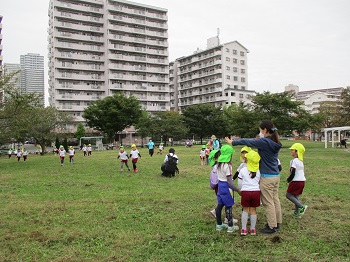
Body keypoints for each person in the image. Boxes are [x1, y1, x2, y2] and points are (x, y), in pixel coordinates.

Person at [225, 120, 282, 234]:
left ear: (265, 130)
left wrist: (233, 142)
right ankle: (277, 222)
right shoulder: (275, 142)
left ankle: (272, 226)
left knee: (268, 202)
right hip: (276, 176)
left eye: (260, 130)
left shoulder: (265, 142)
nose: (260, 132)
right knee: (275, 199)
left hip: (267, 177)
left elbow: (248, 142)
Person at [215, 145, 241, 233]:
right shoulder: (227, 166)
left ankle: (219, 224)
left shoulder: (218, 164)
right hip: (226, 187)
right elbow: (230, 181)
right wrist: (237, 189)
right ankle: (230, 226)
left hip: (220, 186)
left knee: (220, 205)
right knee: (228, 206)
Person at [239, 150, 261, 236]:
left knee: (245, 209)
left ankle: (244, 229)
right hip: (256, 192)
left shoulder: (243, 170)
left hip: (245, 192)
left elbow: (240, 182)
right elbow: (259, 182)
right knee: (253, 210)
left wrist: (240, 190)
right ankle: (253, 229)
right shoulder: (259, 170)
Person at [286, 143, 308, 217]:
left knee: (288, 195)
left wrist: (289, 179)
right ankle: (297, 212)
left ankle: (301, 207)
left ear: (296, 151)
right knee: (295, 196)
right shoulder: (300, 161)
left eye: (292, 150)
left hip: (296, 181)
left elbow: (293, 171)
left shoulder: (294, 161)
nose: (291, 151)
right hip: (302, 181)